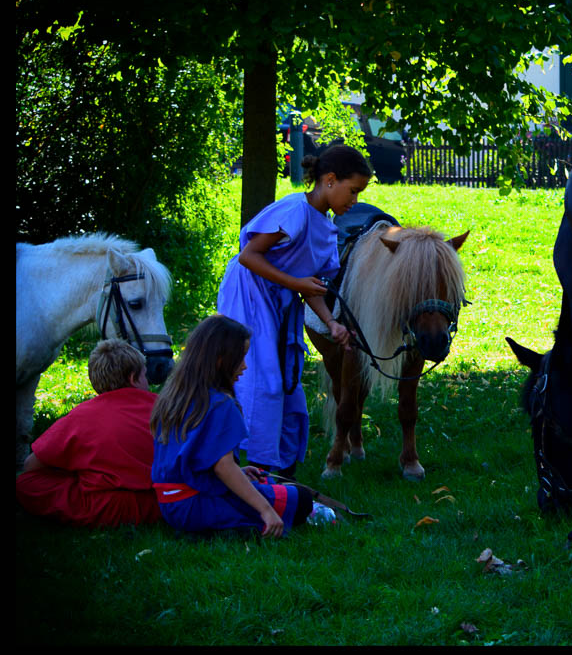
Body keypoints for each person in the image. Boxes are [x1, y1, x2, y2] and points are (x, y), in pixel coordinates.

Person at [217, 143, 371, 477]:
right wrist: (296, 284)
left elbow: (310, 284)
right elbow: (248, 257)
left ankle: (282, 472)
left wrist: (332, 323)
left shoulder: (326, 228)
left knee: (288, 381)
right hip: (249, 294)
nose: (355, 201)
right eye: (353, 191)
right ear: (330, 180)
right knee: (263, 380)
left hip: (281, 302)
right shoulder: (294, 210)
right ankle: (254, 469)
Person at [149, 314, 314, 538]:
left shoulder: (174, 396)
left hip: (170, 504)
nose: (245, 366)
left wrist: (241, 471)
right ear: (220, 359)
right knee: (301, 499)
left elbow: (197, 461)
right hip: (196, 503)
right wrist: (266, 510)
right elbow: (223, 467)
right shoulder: (220, 404)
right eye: (241, 357)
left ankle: (221, 525)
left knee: (272, 486)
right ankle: (231, 527)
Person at [16, 339, 162, 527]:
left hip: (107, 506)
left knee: (26, 483)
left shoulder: (81, 416)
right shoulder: (162, 405)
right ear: (133, 378)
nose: (148, 381)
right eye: (145, 375)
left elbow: (31, 466)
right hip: (159, 501)